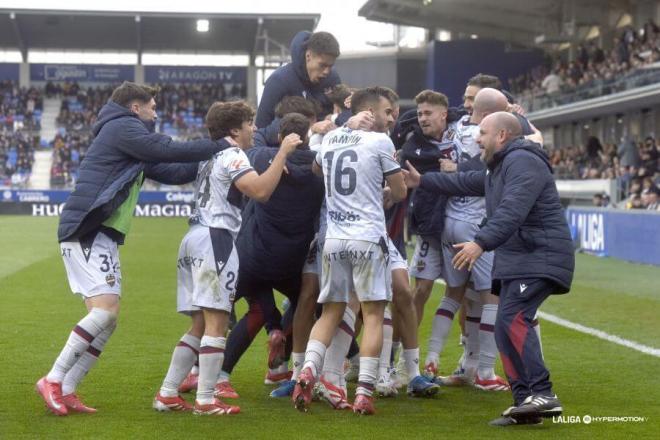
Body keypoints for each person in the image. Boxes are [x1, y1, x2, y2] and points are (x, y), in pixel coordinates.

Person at [36, 82, 233, 416]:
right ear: (135, 108)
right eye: (153, 107)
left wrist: (211, 160)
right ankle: (53, 379)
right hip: (87, 229)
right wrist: (219, 144)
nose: (156, 113)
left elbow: (171, 171)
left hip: (101, 233)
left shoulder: (128, 138)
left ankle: (68, 390)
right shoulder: (123, 128)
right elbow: (168, 149)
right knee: (104, 312)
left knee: (108, 319)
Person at [404, 111, 574, 427]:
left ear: (502, 136)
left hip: (539, 257)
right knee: (503, 323)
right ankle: (526, 403)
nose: (476, 138)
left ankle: (543, 393)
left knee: (512, 318)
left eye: (482, 132)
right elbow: (463, 181)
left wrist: (480, 242)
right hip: (522, 258)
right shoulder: (498, 166)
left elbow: (512, 210)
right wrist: (422, 180)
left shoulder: (522, 161)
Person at [152, 101, 300, 416]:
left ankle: (167, 393)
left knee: (199, 324)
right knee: (217, 322)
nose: (255, 128)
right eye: (250, 123)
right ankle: (205, 399)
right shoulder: (233, 154)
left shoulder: (209, 156)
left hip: (193, 237)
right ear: (235, 129)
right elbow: (259, 191)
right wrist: (283, 153)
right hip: (215, 238)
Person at [292, 87, 407, 415]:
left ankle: (308, 371)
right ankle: (365, 391)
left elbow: (316, 169)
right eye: (386, 112)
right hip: (367, 238)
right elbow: (398, 192)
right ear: (369, 113)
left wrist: (341, 130)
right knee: (372, 314)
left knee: (330, 312)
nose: (391, 118)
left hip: (334, 239)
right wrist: (383, 187)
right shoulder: (380, 142)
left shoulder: (330, 140)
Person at [213, 112, 325, 397]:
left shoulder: (264, 158)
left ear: (280, 137)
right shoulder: (319, 170)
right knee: (305, 304)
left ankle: (214, 374)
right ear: (308, 137)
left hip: (254, 256)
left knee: (221, 309)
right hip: (292, 261)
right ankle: (282, 365)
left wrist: (278, 151)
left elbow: (252, 147)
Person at [256, 31, 341, 132]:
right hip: (287, 146)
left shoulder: (332, 79)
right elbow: (261, 131)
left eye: (330, 66)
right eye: (322, 65)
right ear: (308, 56)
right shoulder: (278, 81)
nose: (327, 72)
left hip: (326, 145)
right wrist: (310, 130)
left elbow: (341, 119)